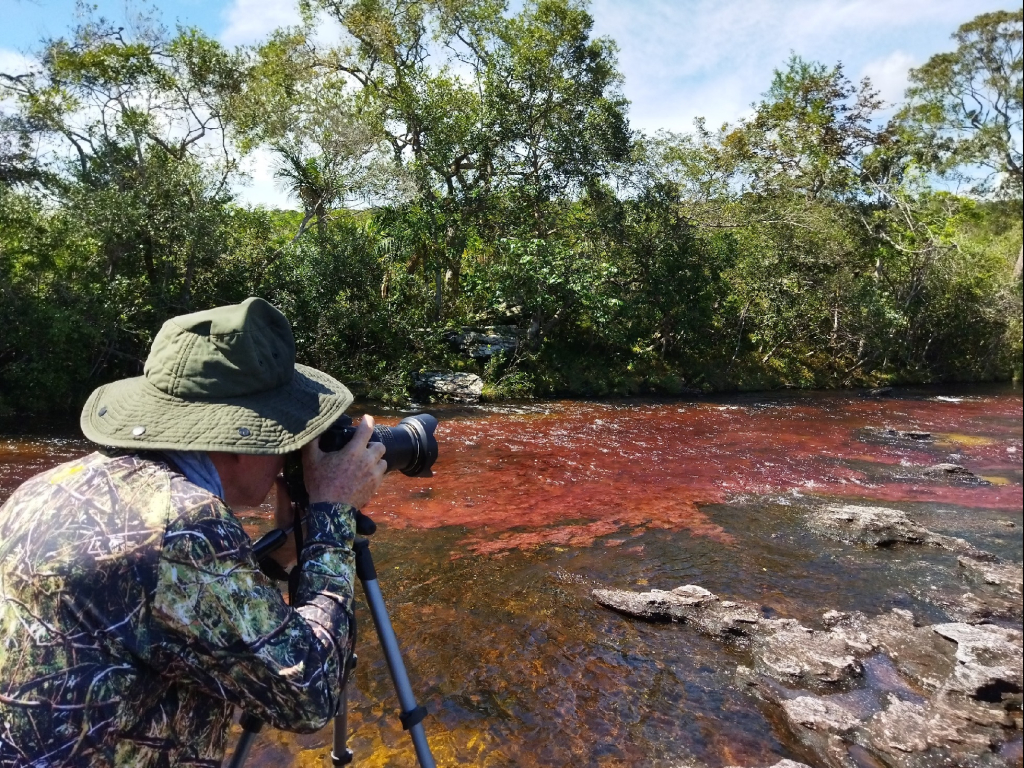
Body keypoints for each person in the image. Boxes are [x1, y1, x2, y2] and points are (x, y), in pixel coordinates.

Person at [0, 297, 387, 767]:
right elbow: (309, 694)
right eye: (287, 437)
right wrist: (331, 515)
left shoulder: (48, 488)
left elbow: (167, 610)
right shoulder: (185, 525)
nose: (294, 453)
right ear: (241, 438)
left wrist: (284, 547)